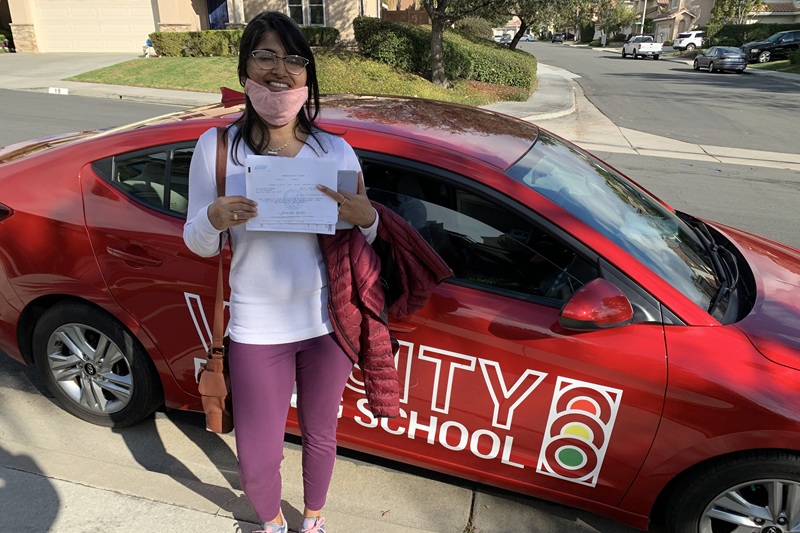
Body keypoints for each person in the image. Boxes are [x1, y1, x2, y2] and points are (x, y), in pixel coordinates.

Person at [184, 11, 451, 533]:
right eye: (264, 55)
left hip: (327, 323)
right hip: (257, 328)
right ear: (245, 70)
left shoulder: (335, 150)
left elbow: (369, 244)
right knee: (259, 453)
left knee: (322, 434)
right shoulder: (218, 150)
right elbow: (198, 245)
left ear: (308, 78)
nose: (278, 71)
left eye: (292, 59)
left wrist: (368, 218)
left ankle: (312, 520)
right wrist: (212, 218)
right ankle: (268, 524)